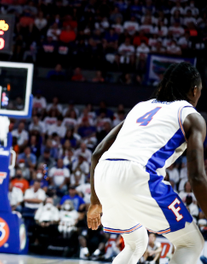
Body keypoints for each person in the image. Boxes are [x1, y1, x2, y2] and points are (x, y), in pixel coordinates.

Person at [88, 62, 206, 264]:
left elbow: (98, 153)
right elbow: (196, 176)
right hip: (137, 174)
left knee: (136, 243)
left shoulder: (141, 107)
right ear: (195, 90)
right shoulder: (191, 116)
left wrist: (95, 202)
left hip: (104, 173)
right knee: (191, 243)